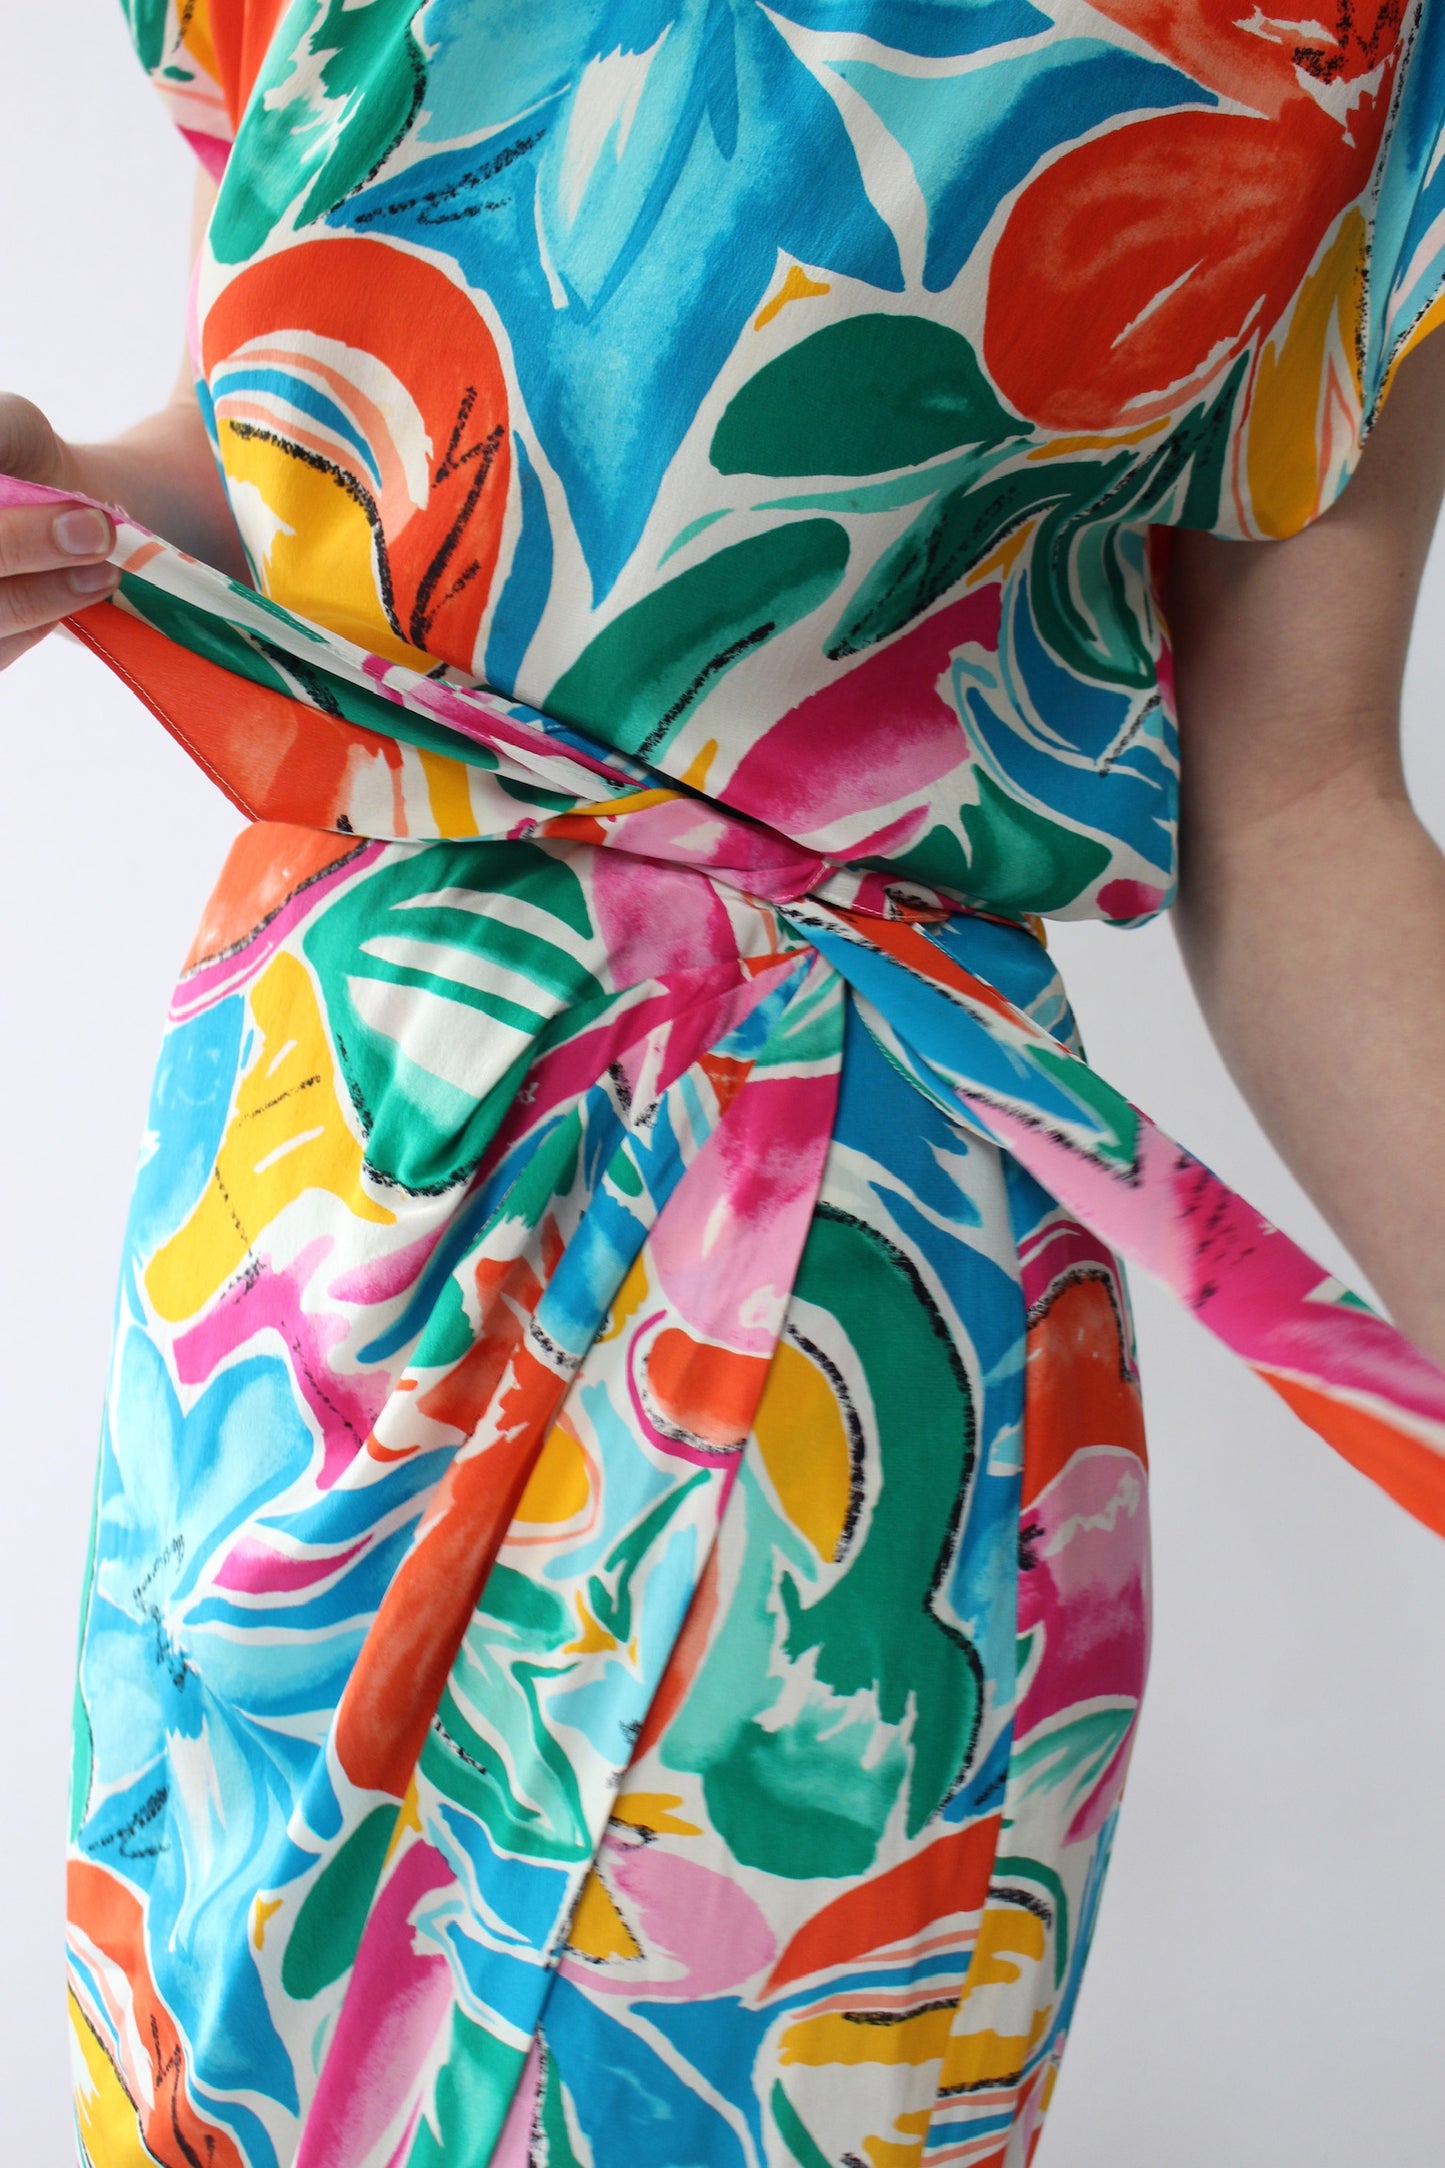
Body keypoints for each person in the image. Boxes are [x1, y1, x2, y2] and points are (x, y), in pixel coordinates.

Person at [4, 5, 1445, 2164]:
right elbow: (390, 449)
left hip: (834, 1288)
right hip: (301, 1234)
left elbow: (1299, 789)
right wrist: (75, 500)